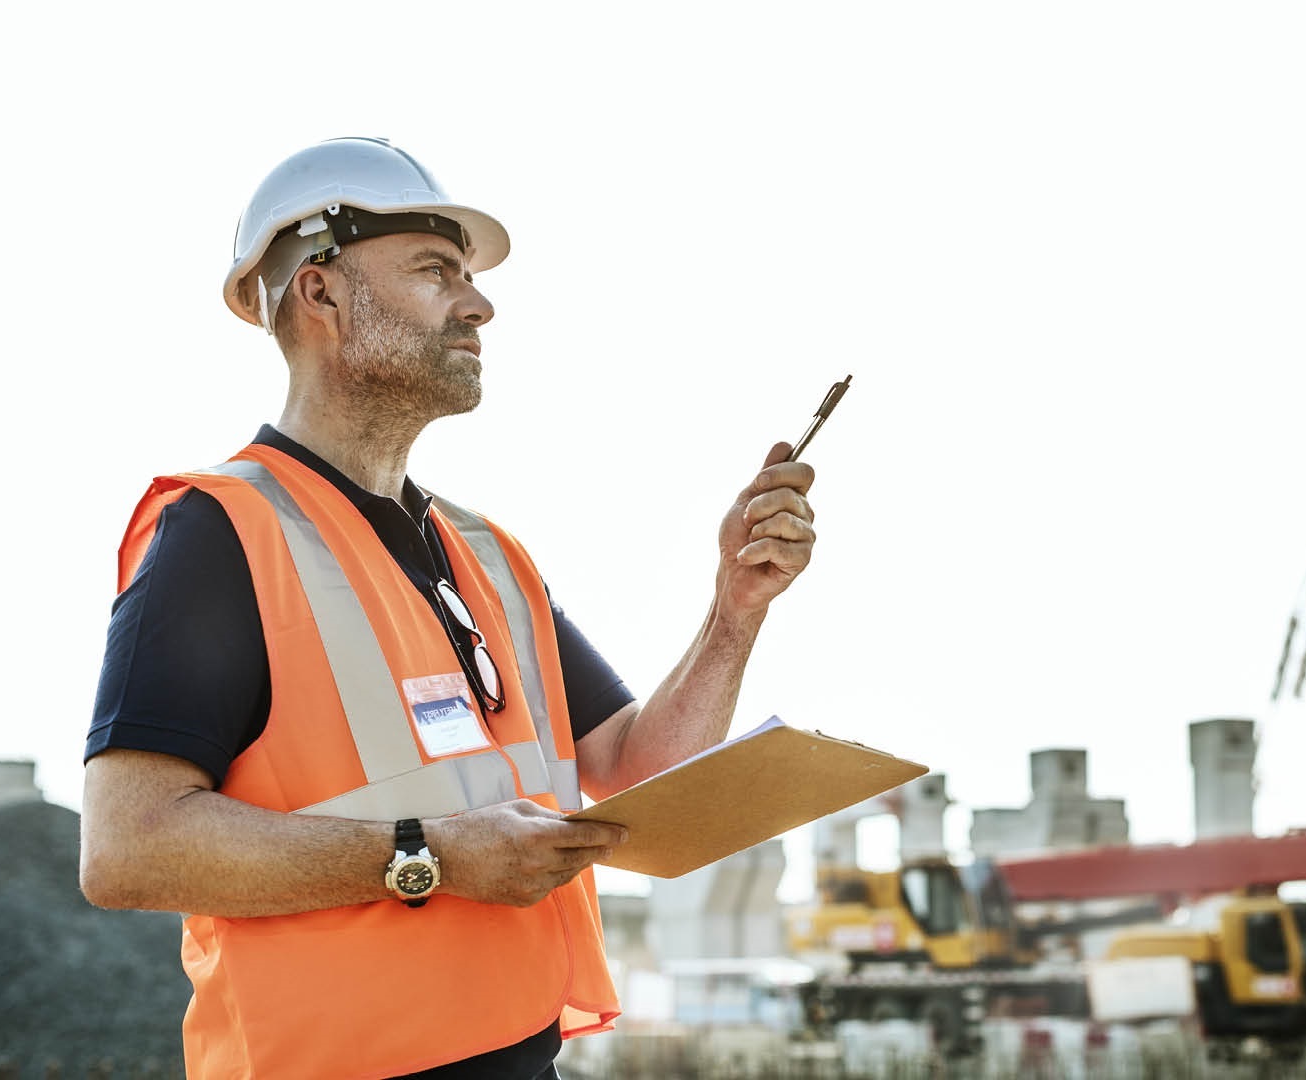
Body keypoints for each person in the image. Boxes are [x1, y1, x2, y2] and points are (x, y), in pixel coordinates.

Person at [79, 137, 820, 1079]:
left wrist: (735, 609)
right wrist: (429, 857)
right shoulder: (221, 532)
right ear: (321, 294)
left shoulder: (486, 554)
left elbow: (636, 772)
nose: (480, 305)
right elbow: (127, 851)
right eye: (436, 271)